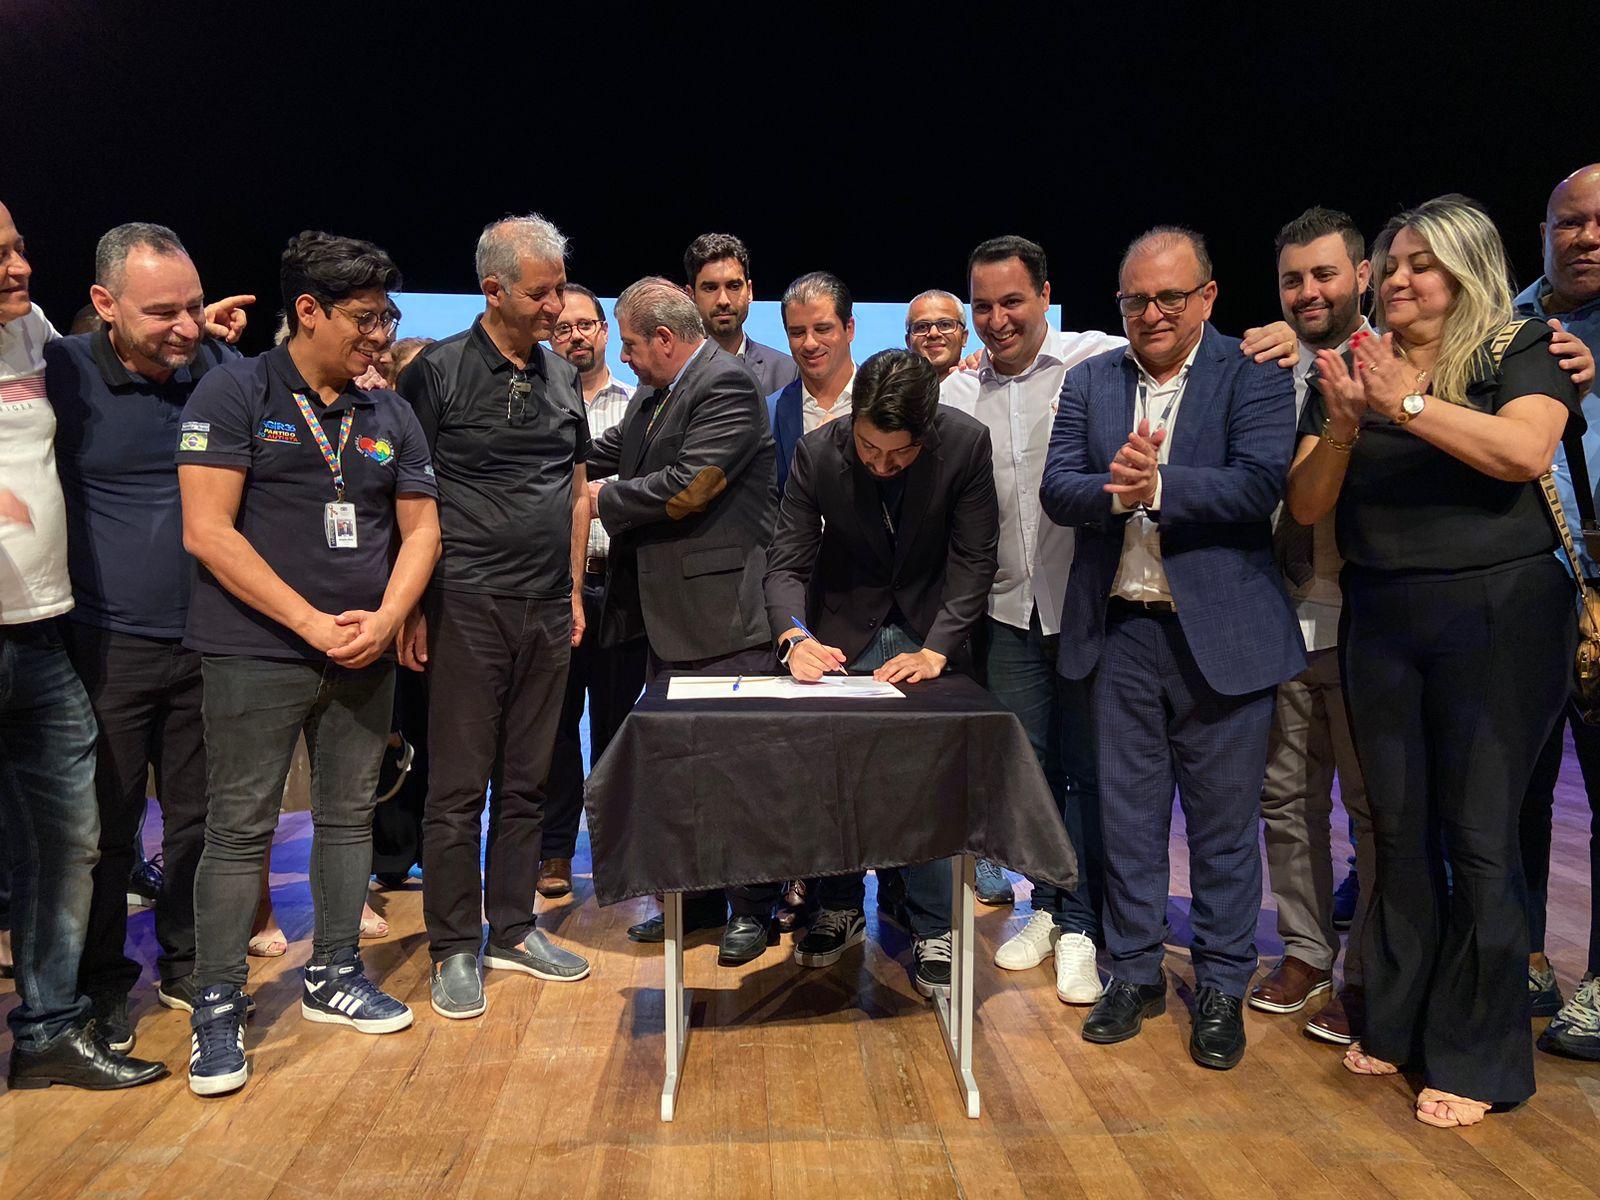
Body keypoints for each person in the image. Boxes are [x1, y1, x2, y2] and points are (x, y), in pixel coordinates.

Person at [1286, 195, 1584, 1127]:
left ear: (1468, 269)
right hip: (1383, 613)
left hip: (1500, 616)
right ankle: (1401, 1021)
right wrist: (1346, 421)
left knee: (1481, 836)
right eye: (1394, 263)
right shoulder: (1352, 366)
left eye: (1424, 263)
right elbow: (1306, 506)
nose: (1401, 278)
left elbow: (1524, 450)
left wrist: (1405, 406)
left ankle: (1482, 1058)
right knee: (1401, 831)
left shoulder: (1516, 346)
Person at [177, 230, 440, 1095]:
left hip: (364, 651)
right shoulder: (234, 391)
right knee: (240, 828)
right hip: (255, 650)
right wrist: (312, 624)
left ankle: (334, 973)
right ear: (308, 312)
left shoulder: (388, 413)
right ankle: (218, 1004)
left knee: (349, 816)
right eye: (366, 318)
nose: (380, 335)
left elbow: (422, 531)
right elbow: (207, 531)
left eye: (387, 317)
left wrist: (388, 617)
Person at [1041, 225, 1305, 1072]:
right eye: (1135, 300)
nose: (1152, 313)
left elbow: (1260, 484)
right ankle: (1135, 972)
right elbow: (1058, 487)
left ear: (1208, 297)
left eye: (1169, 297)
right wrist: (1120, 494)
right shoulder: (1091, 381)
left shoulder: (1252, 372)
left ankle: (1222, 983)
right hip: (1119, 632)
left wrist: (1161, 486)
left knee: (1224, 827)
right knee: (1127, 821)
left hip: (1221, 637)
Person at [43, 222, 241, 1049]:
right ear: (104, 304)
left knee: (201, 820)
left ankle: (188, 964)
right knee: (105, 830)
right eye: (162, 312)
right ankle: (99, 986)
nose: (185, 327)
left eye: (194, 306)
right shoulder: (61, 373)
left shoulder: (219, 371)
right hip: (105, 645)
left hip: (209, 640)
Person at [396, 215, 592, 1021]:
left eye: (559, 289)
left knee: (527, 781)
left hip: (546, 607)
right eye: (541, 293)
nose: (556, 307)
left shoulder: (563, 376)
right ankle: (452, 945)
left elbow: (575, 491)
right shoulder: (437, 372)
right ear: (493, 291)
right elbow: (406, 497)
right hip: (466, 604)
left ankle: (512, 928)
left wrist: (572, 590)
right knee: (455, 788)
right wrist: (410, 604)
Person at [765, 348, 999, 995]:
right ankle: (839, 908)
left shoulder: (965, 444)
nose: (881, 464)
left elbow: (975, 558)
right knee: (836, 775)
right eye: (869, 448)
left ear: (928, 431)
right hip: (842, 630)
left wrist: (939, 648)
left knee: (927, 785)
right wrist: (793, 637)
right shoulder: (818, 452)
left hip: (929, 632)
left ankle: (933, 925)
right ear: (855, 420)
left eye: (900, 454)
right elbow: (786, 562)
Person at [0, 199, 168, 1090]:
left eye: (20, 246)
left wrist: (183, 331)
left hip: (40, 633)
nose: (20, 267)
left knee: (71, 842)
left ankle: (48, 1030)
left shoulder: (29, 330)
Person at [941, 234, 1127, 969]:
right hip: (1005, 612)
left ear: (1046, 296)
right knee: (1033, 771)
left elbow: (1183, 351)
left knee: (1094, 768)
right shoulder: (955, 392)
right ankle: (1047, 907)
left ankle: (1085, 919)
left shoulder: (1098, 359)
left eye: (1012, 301)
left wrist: (1277, 339)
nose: (997, 320)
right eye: (983, 306)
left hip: (1089, 606)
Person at [587, 277, 781, 964]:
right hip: (666, 617)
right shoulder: (655, 391)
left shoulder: (726, 385)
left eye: (632, 345)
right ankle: (694, 901)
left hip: (723, 616)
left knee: (738, 772)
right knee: (683, 770)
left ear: (665, 339)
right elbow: (602, 449)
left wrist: (599, 499)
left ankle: (753, 909)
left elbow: (692, 486)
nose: (625, 358)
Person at [1246, 208, 1376, 1043]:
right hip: (1280, 617)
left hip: (1370, 619)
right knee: (1287, 801)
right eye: (1293, 279)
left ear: (1362, 275)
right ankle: (1305, 951)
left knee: (1374, 809)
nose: (1308, 292)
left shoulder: (1396, 362)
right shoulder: (1269, 366)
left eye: (1325, 274)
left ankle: (1371, 971)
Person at [1517, 163, 1600, 1060]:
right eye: (1571, 221)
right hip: (1527, 592)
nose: (1588, 237)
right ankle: (1527, 959)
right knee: (1517, 794)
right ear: (1543, 233)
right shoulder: (1508, 324)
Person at [541, 283, 645, 899]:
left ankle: (615, 849)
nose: (575, 335)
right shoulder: (539, 404)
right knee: (554, 729)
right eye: (563, 327)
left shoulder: (638, 404)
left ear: (604, 331)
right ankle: (555, 852)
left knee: (618, 724)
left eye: (586, 324)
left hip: (622, 584)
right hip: (556, 589)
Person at [768, 272, 856, 492]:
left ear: (849, 329)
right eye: (797, 332)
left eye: (822, 329)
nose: (810, 344)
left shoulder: (884, 399)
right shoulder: (769, 412)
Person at [684, 232, 797, 396]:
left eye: (734, 286)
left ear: (749, 291)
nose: (723, 300)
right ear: (691, 295)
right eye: (710, 288)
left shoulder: (787, 373)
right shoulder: (669, 373)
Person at [905, 290, 969, 379]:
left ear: (964, 337)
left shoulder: (981, 382)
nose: (933, 333)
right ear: (908, 342)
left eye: (945, 325)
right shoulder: (889, 386)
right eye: (922, 326)